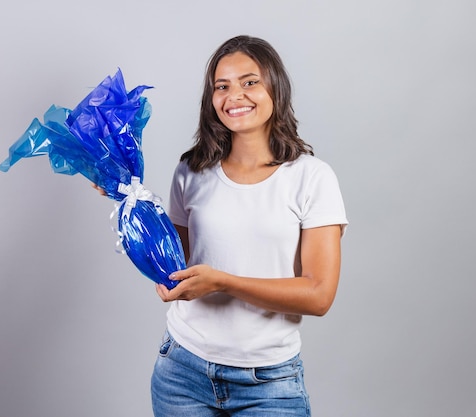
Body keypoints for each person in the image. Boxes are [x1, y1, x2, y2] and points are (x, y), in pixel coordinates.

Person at [149, 35, 348, 417]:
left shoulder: (312, 178)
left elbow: (319, 295)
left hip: (268, 383)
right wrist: (123, 195)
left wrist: (224, 282)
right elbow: (177, 265)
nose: (234, 95)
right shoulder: (191, 170)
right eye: (221, 86)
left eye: (250, 82)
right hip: (181, 373)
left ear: (276, 87)